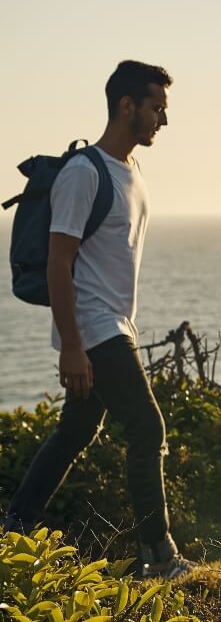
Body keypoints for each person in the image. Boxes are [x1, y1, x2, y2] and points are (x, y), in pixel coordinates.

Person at [3, 61, 194, 578]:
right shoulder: (84, 172)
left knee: (75, 431)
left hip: (113, 324)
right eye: (157, 108)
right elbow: (58, 262)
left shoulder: (132, 171)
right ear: (126, 105)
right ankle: (159, 556)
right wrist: (72, 345)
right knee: (147, 428)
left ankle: (12, 530)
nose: (163, 120)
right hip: (94, 328)